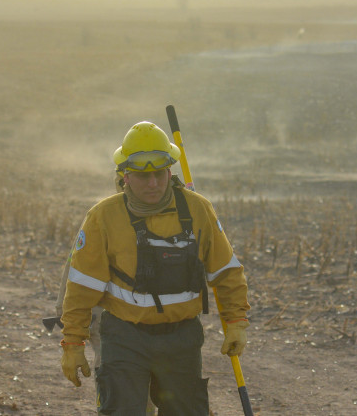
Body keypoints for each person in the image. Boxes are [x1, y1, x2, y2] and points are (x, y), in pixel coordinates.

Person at [59, 121, 250, 415]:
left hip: (181, 338)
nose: (153, 184)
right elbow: (82, 286)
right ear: (125, 176)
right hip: (124, 336)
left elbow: (225, 271)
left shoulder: (198, 209)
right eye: (142, 176)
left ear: (169, 171)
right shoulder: (103, 217)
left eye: (159, 174)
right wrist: (73, 342)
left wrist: (235, 322)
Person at [55, 171, 157, 416]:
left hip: (159, 328)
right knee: (120, 391)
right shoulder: (104, 218)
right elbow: (76, 273)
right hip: (110, 324)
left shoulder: (176, 217)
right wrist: (73, 335)